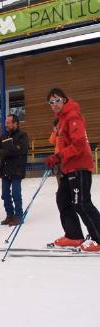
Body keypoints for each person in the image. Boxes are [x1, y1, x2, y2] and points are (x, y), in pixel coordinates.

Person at [45, 88, 100, 251]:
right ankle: (74, 235)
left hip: (79, 166)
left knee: (81, 203)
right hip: (68, 168)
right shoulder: (61, 120)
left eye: (57, 100)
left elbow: (79, 144)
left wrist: (59, 156)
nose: (54, 104)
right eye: (51, 102)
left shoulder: (72, 116)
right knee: (63, 199)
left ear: (65, 100)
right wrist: (58, 159)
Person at [0, 114, 29, 226]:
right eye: (6, 122)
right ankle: (9, 215)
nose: (6, 124)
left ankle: (19, 216)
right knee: (5, 194)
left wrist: (6, 152)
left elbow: (22, 150)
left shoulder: (22, 135)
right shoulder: (3, 136)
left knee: (16, 194)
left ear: (15, 123)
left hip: (17, 169)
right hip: (5, 170)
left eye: (8, 122)